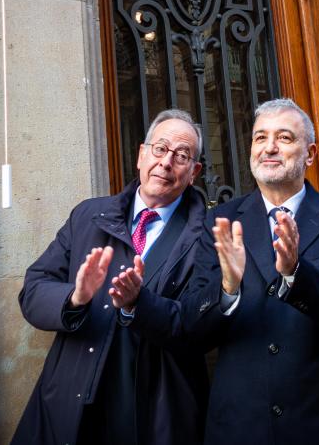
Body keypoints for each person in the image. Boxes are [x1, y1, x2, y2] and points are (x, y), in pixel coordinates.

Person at [130, 98, 319, 445]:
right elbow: (192, 329)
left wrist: (296, 274)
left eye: (284, 138)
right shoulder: (220, 221)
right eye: (260, 138)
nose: (269, 147)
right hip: (240, 423)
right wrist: (227, 287)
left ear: (311, 154)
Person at [11, 109, 209, 445]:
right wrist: (76, 297)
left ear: (194, 172)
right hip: (71, 394)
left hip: (153, 407)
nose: (166, 162)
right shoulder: (89, 215)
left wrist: (138, 304)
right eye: (159, 149)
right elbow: (33, 289)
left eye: (182, 155)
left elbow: (199, 326)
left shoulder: (206, 236)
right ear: (141, 155)